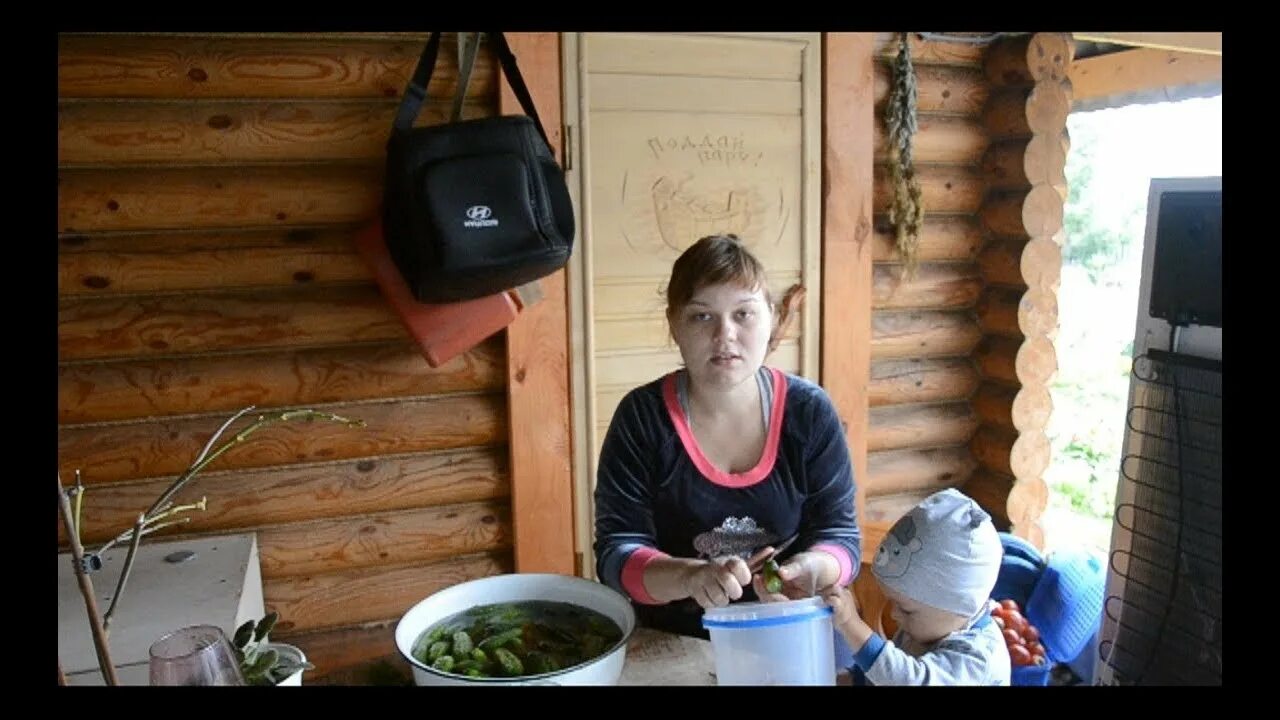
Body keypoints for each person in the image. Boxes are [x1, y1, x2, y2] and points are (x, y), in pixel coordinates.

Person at [593, 233, 861, 638]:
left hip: (791, 626)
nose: (725, 335)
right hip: (672, 637)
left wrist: (810, 569)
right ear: (674, 324)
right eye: (702, 316)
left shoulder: (809, 413)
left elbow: (840, 538)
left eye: (744, 314)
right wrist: (690, 577)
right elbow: (617, 554)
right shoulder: (641, 418)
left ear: (771, 316)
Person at [819, 488, 1010, 686]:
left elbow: (911, 680)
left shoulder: (977, 658)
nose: (894, 614)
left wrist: (853, 625)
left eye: (906, 610)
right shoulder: (926, 628)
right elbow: (886, 672)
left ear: (961, 607)